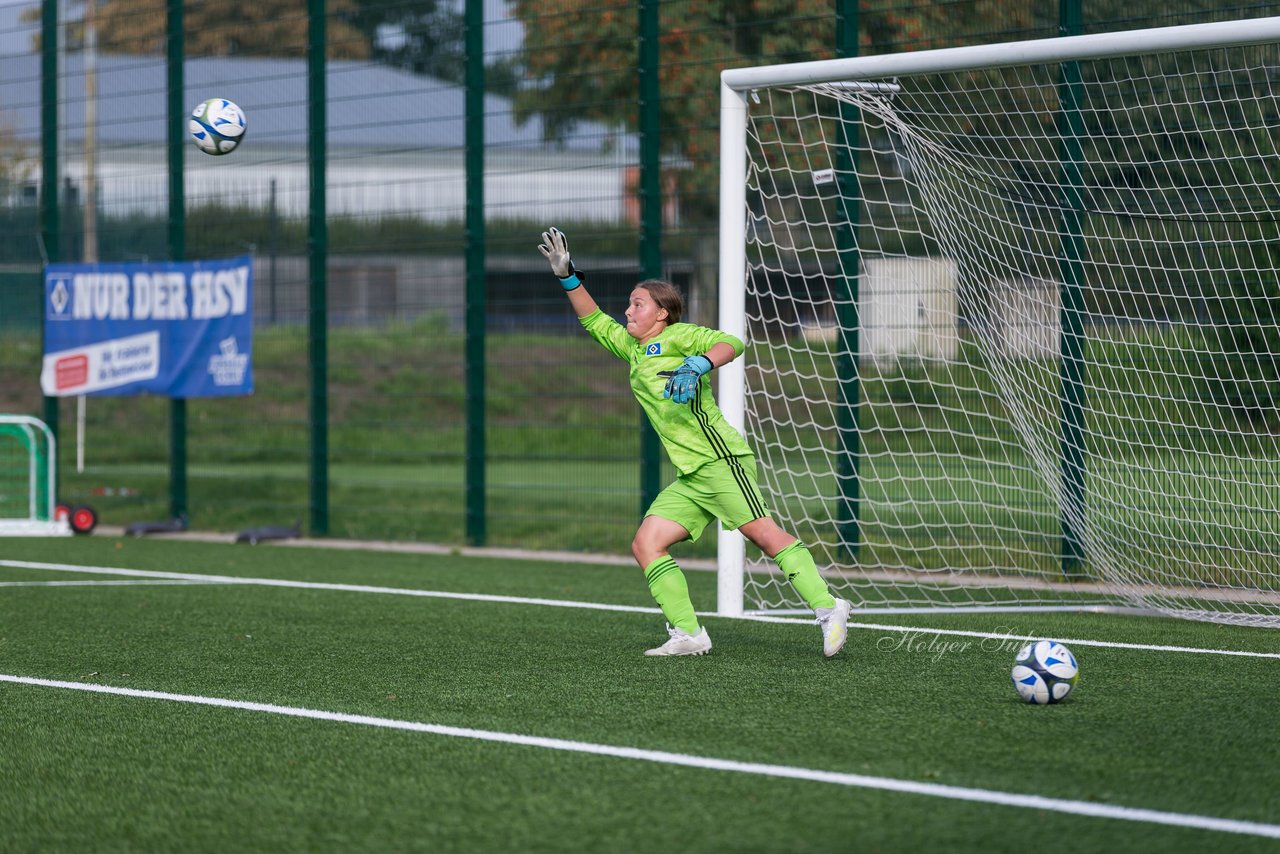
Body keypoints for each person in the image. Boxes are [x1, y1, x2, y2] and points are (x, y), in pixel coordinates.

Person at [538, 227, 851, 658]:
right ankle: (689, 634)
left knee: (762, 535)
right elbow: (593, 319)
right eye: (629, 303)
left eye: (637, 304)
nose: (627, 311)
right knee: (646, 543)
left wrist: (698, 364)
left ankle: (829, 607)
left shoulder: (678, 336)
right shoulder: (634, 350)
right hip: (692, 475)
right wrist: (567, 276)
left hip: (720, 460)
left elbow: (731, 342)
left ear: (662, 314)